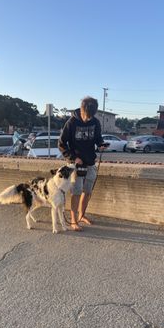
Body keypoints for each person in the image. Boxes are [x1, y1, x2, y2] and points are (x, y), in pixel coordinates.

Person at [58, 96, 107, 231]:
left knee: (87, 191)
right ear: (82, 109)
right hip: (76, 163)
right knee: (76, 192)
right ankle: (74, 221)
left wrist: (101, 145)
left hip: (90, 161)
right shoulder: (72, 122)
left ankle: (82, 215)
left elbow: (98, 139)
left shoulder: (95, 122)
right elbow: (61, 144)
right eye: (86, 115)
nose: (88, 118)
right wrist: (73, 158)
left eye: (91, 116)